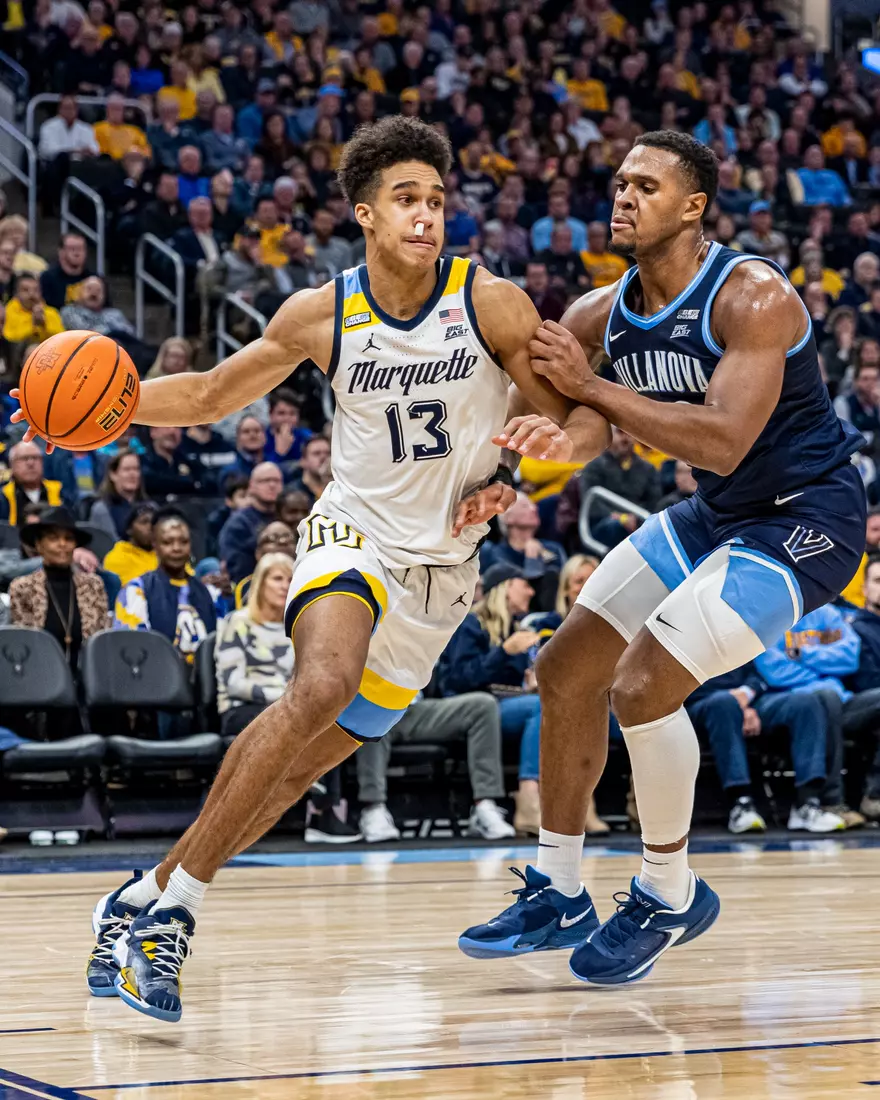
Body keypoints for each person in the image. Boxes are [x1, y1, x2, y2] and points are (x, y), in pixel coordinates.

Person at [16, 115, 606, 1018]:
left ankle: (139, 895)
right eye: (406, 199)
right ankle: (174, 920)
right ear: (364, 213)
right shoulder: (320, 313)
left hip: (441, 576)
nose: (425, 215)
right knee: (320, 684)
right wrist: (99, 411)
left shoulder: (491, 302)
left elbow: (580, 420)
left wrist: (532, 455)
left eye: (437, 200)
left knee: (296, 770)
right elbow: (212, 394)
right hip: (350, 534)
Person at [462, 130, 866, 984]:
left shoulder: (753, 296)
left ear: (694, 206)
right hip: (719, 513)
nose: (623, 196)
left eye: (645, 185)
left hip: (807, 522)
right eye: (617, 183)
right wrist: (531, 452)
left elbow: (721, 441)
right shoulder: (595, 315)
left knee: (644, 681)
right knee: (566, 666)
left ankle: (668, 892)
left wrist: (595, 388)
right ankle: (560, 886)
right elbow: (580, 429)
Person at [440, 564, 545, 835]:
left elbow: (510, 685)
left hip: (507, 706)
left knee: (554, 705)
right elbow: (456, 680)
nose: (531, 592)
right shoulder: (471, 624)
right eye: (525, 584)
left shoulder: (517, 628)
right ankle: (529, 796)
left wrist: (530, 684)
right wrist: (504, 652)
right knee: (539, 708)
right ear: (506, 587)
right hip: (470, 709)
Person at [685, 666, 844, 834]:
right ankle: (741, 804)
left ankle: (806, 803)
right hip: (701, 703)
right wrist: (738, 704)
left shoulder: (732, 639)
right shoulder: (675, 641)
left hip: (749, 699)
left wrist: (746, 694)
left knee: (806, 703)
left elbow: (757, 675)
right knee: (723, 704)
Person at [9, 507, 108, 671]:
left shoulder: (93, 586)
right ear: (39, 545)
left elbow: (101, 641)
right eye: (53, 538)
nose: (62, 544)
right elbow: (22, 643)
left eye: (68, 539)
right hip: (38, 678)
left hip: (87, 678)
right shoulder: (22, 587)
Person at [114, 509, 217, 660]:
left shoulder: (207, 591)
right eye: (167, 542)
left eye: (184, 542)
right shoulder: (137, 589)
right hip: (156, 677)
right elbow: (132, 648)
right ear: (155, 545)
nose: (176, 548)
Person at [215, 552, 295, 736]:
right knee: (288, 723)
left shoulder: (294, 628)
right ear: (261, 583)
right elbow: (233, 683)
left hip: (286, 707)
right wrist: (282, 697)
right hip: (241, 708)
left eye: (290, 580)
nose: (285, 586)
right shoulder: (237, 622)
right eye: (277, 579)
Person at [219, 461, 284, 582]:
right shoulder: (238, 524)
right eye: (265, 481)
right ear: (251, 486)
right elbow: (237, 570)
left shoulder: (288, 516)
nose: (272, 485)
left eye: (276, 481)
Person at [84, 449, 148, 541]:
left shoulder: (150, 507)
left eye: (136, 469)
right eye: (127, 469)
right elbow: (107, 544)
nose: (132, 474)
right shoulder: (102, 509)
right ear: (113, 474)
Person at [233, 519, 295, 609]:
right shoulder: (245, 587)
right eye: (273, 538)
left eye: (288, 537)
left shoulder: (308, 580)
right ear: (258, 553)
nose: (282, 541)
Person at [0, 441, 66, 524]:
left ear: (42, 462)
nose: (30, 463)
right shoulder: (2, 498)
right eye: (24, 458)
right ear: (11, 464)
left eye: (35, 457)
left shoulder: (60, 492)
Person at [103, 502, 159, 586]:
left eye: (154, 523)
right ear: (129, 529)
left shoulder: (165, 554)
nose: (151, 527)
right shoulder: (117, 559)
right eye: (144, 522)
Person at [3, 274, 64, 347]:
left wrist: (43, 324)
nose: (31, 294)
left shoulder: (51, 312)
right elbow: (9, 340)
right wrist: (33, 325)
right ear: (16, 293)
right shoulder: (9, 311)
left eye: (36, 290)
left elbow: (61, 339)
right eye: (25, 290)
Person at [40, 233, 94, 309]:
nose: (77, 253)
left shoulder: (94, 279)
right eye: (72, 249)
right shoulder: (47, 278)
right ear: (61, 252)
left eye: (81, 248)